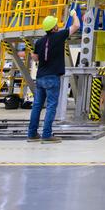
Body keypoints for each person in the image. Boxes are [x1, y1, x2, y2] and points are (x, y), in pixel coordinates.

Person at [28, 10, 79, 142]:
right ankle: (46, 135)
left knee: (37, 106)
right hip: (52, 78)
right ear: (54, 27)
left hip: (40, 78)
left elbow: (35, 58)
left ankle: (32, 134)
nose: (58, 25)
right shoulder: (60, 36)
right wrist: (74, 15)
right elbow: (77, 26)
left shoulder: (39, 42)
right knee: (51, 106)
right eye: (56, 24)